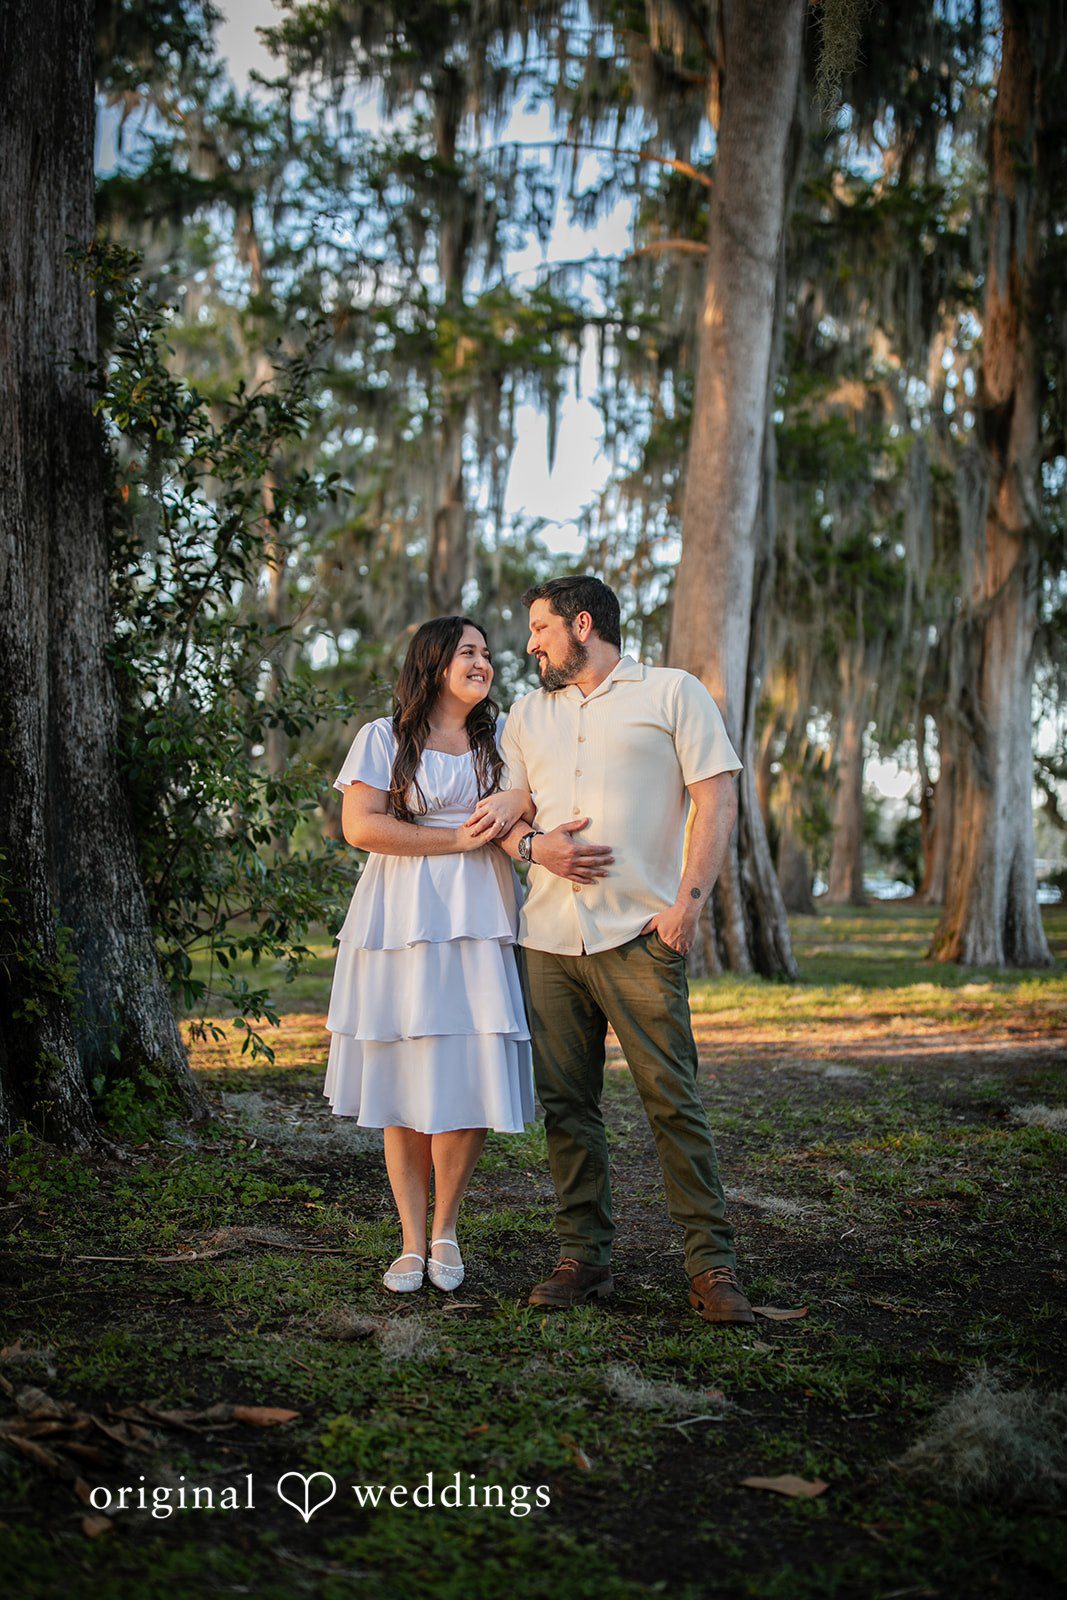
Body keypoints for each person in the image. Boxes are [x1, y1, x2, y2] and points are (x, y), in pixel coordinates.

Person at [497, 575, 754, 1326]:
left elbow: (716, 797)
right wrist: (534, 847)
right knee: (566, 1107)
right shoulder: (524, 714)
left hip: (640, 937)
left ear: (583, 624)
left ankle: (711, 1265)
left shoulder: (672, 693)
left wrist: (686, 909)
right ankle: (584, 1257)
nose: (530, 644)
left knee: (671, 1101)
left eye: (540, 628)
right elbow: (508, 816)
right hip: (547, 941)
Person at [324, 616, 535, 1294]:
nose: (483, 662)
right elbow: (362, 826)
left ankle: (447, 1227)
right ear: (434, 663)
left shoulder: (503, 741)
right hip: (400, 915)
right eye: (467, 652)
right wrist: (456, 841)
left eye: (485, 654)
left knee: (468, 1060)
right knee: (404, 1068)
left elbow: (528, 809)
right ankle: (410, 1240)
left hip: (479, 914)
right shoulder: (382, 738)